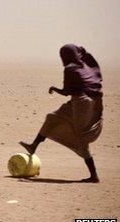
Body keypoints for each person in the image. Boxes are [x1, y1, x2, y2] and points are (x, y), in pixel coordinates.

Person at [20, 44, 103, 183]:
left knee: (81, 139)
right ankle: (33, 146)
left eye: (62, 56)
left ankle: (94, 176)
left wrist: (53, 88)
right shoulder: (83, 66)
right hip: (87, 101)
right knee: (52, 118)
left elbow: (66, 92)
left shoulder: (70, 68)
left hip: (81, 103)